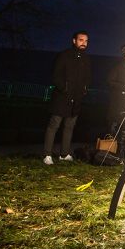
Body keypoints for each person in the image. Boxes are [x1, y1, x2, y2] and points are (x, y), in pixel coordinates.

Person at [43, 31, 92, 165]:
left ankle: (64, 154)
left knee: (69, 126)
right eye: (81, 40)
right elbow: (56, 75)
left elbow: (87, 77)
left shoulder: (86, 58)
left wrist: (84, 90)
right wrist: (64, 89)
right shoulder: (64, 55)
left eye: (86, 41)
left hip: (76, 99)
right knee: (54, 125)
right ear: (74, 41)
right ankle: (47, 154)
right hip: (62, 97)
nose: (84, 43)